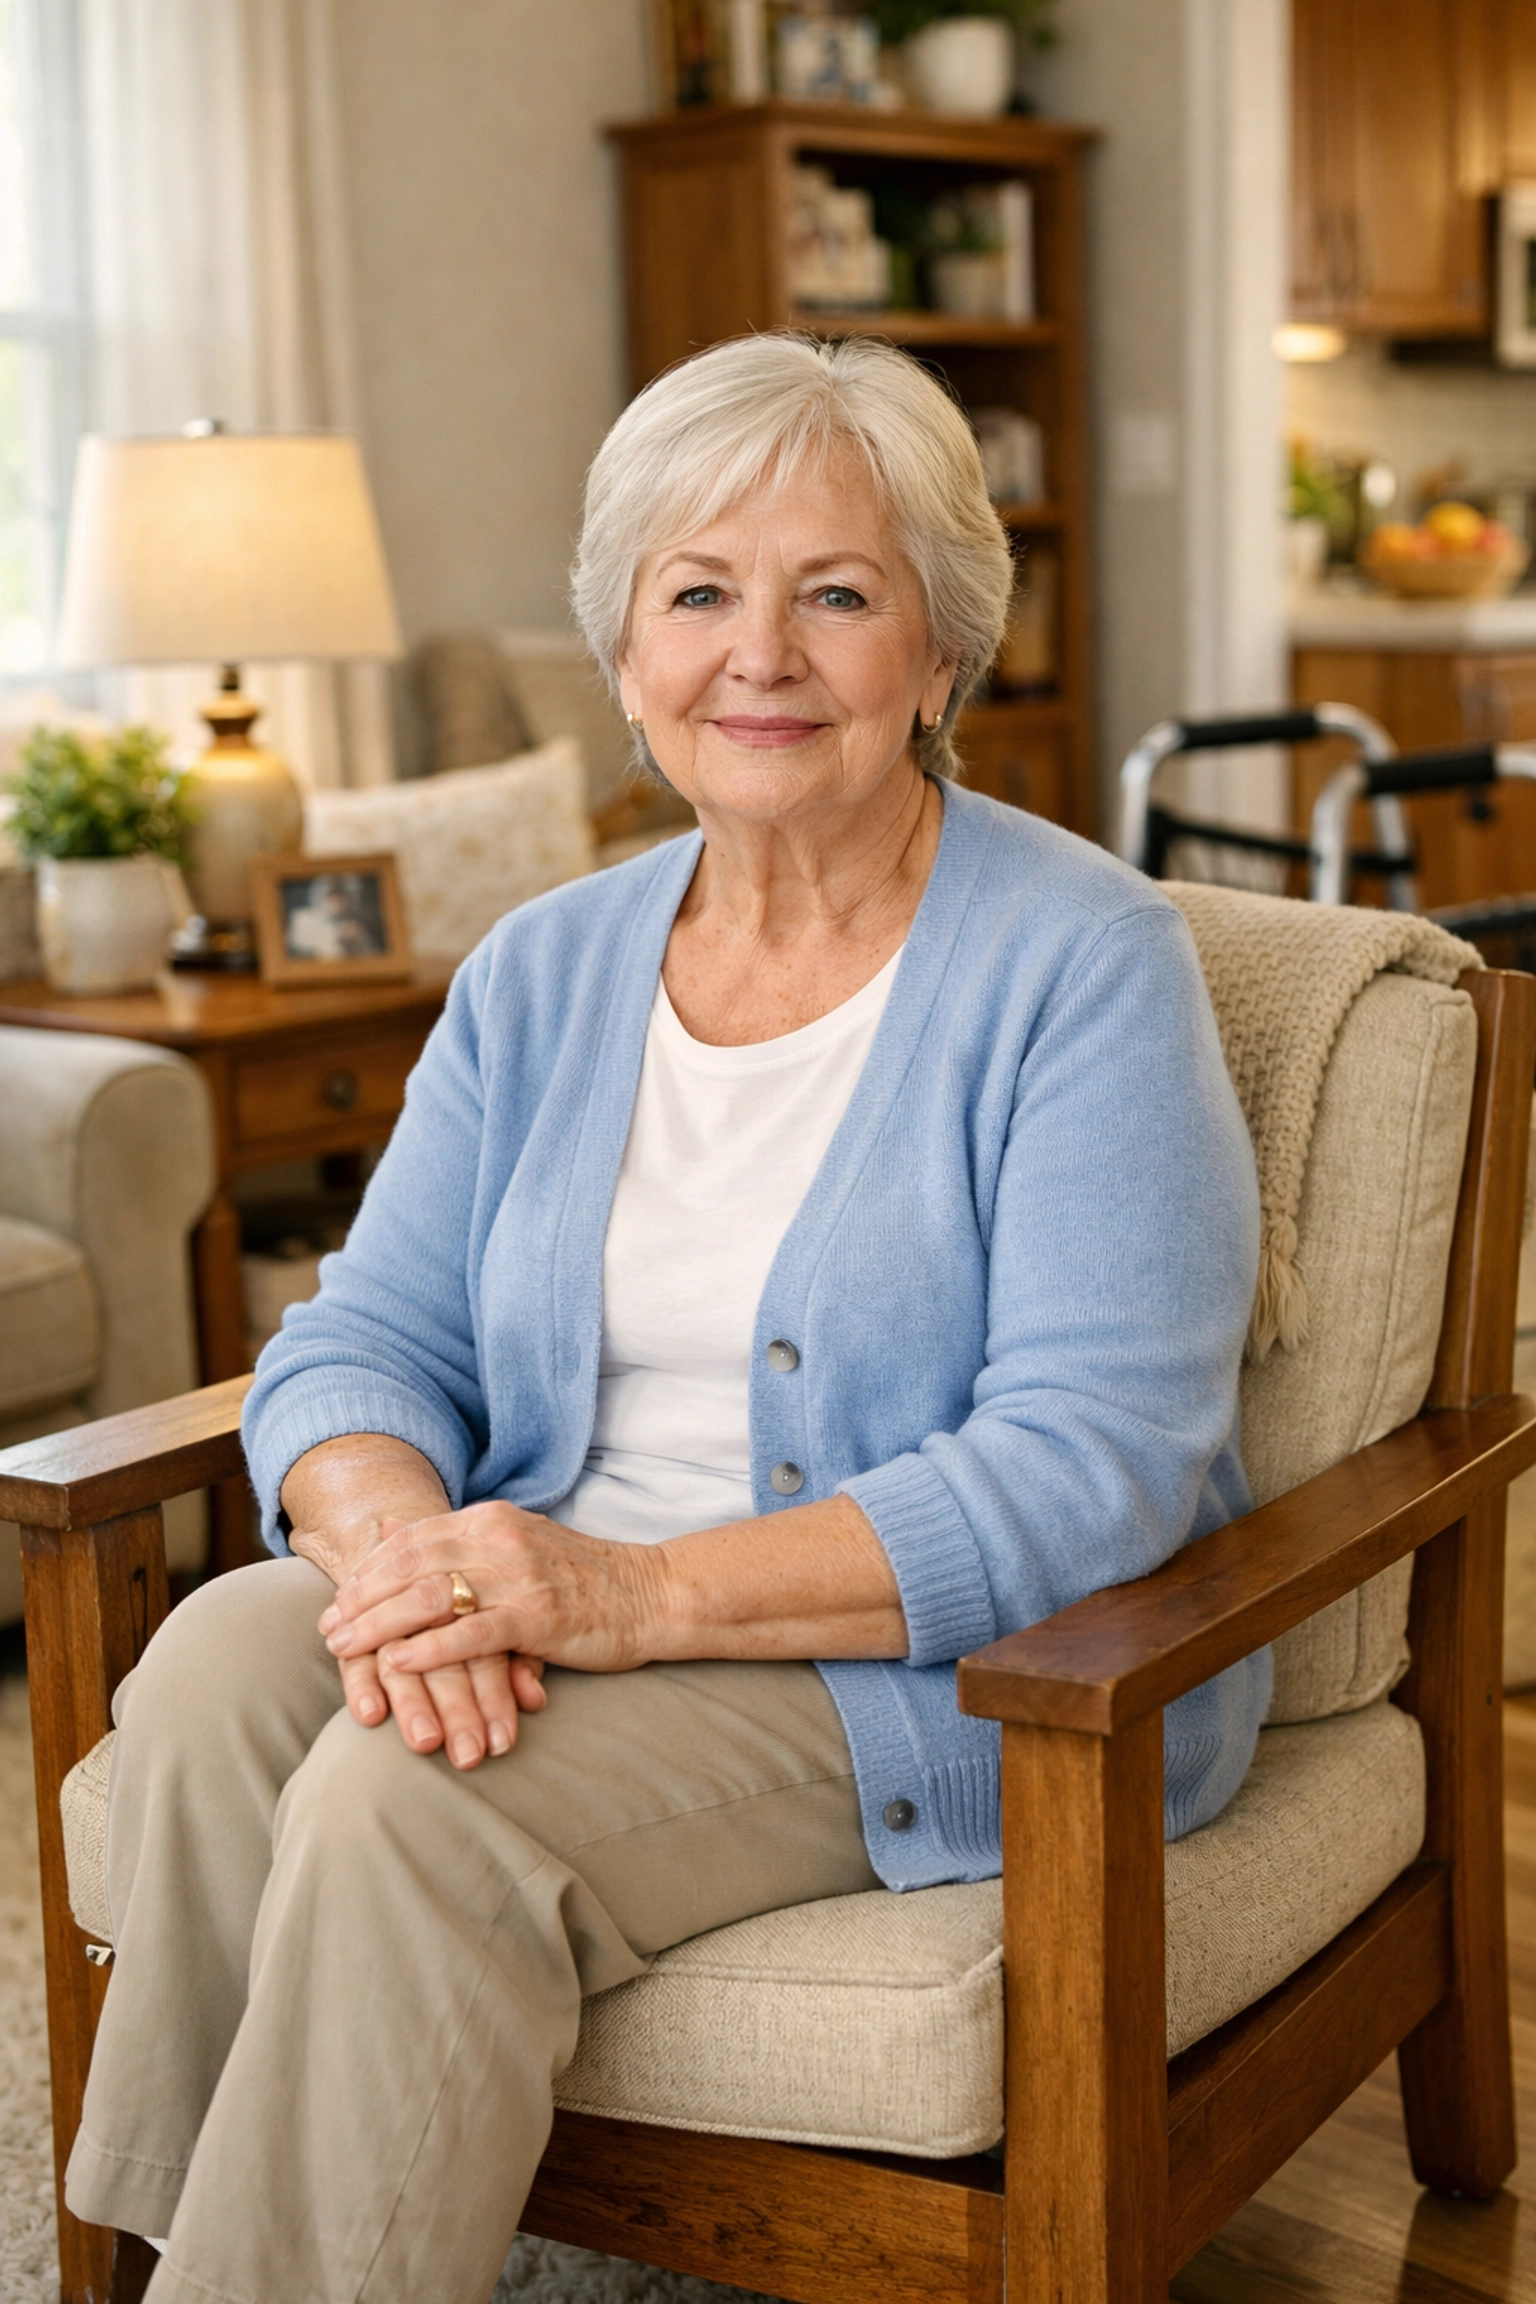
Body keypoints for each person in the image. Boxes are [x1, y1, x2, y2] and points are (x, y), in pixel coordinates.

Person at [67, 332, 1265, 2304]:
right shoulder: (549, 966)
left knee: (400, 1803)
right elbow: (361, 1347)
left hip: (920, 1666)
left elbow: (1093, 1469)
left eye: (839, 593)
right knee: (215, 1672)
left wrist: (614, 1601)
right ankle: (198, 2252)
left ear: (941, 654)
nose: (758, 655)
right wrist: (397, 1566)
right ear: (629, 653)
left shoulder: (1084, 966)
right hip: (544, 1570)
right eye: (697, 592)